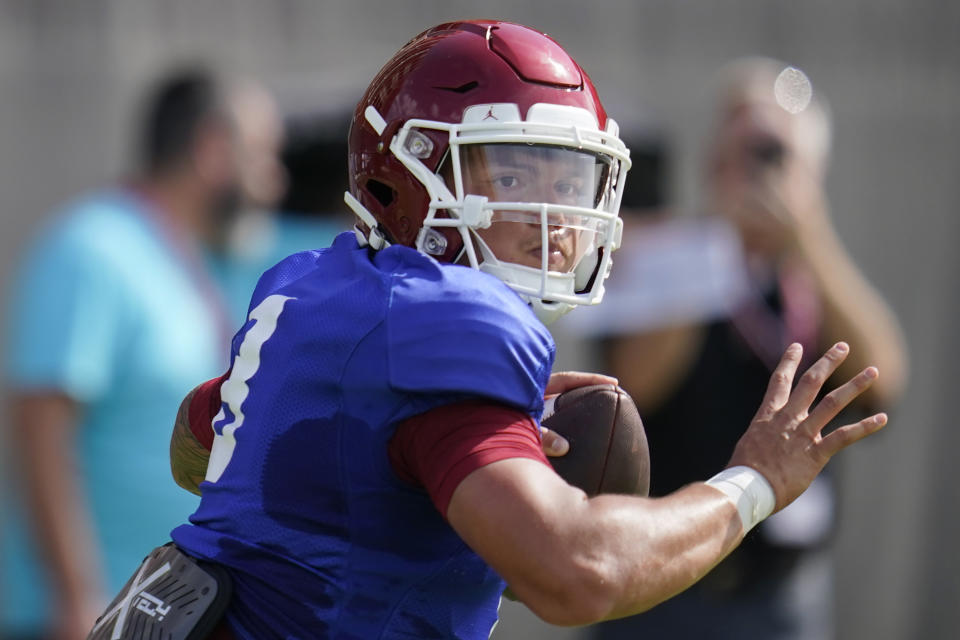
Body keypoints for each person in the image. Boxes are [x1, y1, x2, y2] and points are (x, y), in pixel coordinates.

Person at [90, 23, 887, 640]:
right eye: (511, 174)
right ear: (401, 175)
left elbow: (198, 440)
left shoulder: (315, 287)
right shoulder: (450, 321)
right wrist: (751, 486)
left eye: (568, 178)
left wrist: (418, 456)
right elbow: (579, 570)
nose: (558, 218)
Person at [586, 58, 908, 639]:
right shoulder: (670, 257)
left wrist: (808, 233)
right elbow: (639, 386)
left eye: (776, 155)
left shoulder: (815, 278)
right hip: (665, 585)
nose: (759, 173)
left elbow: (884, 382)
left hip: (782, 593)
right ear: (715, 160)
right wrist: (715, 242)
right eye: (746, 152)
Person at [1, 66, 287, 640]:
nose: (274, 181)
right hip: (82, 618)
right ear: (211, 149)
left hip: (160, 617)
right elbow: (40, 428)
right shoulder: (92, 247)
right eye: (262, 155)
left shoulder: (196, 255)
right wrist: (75, 596)